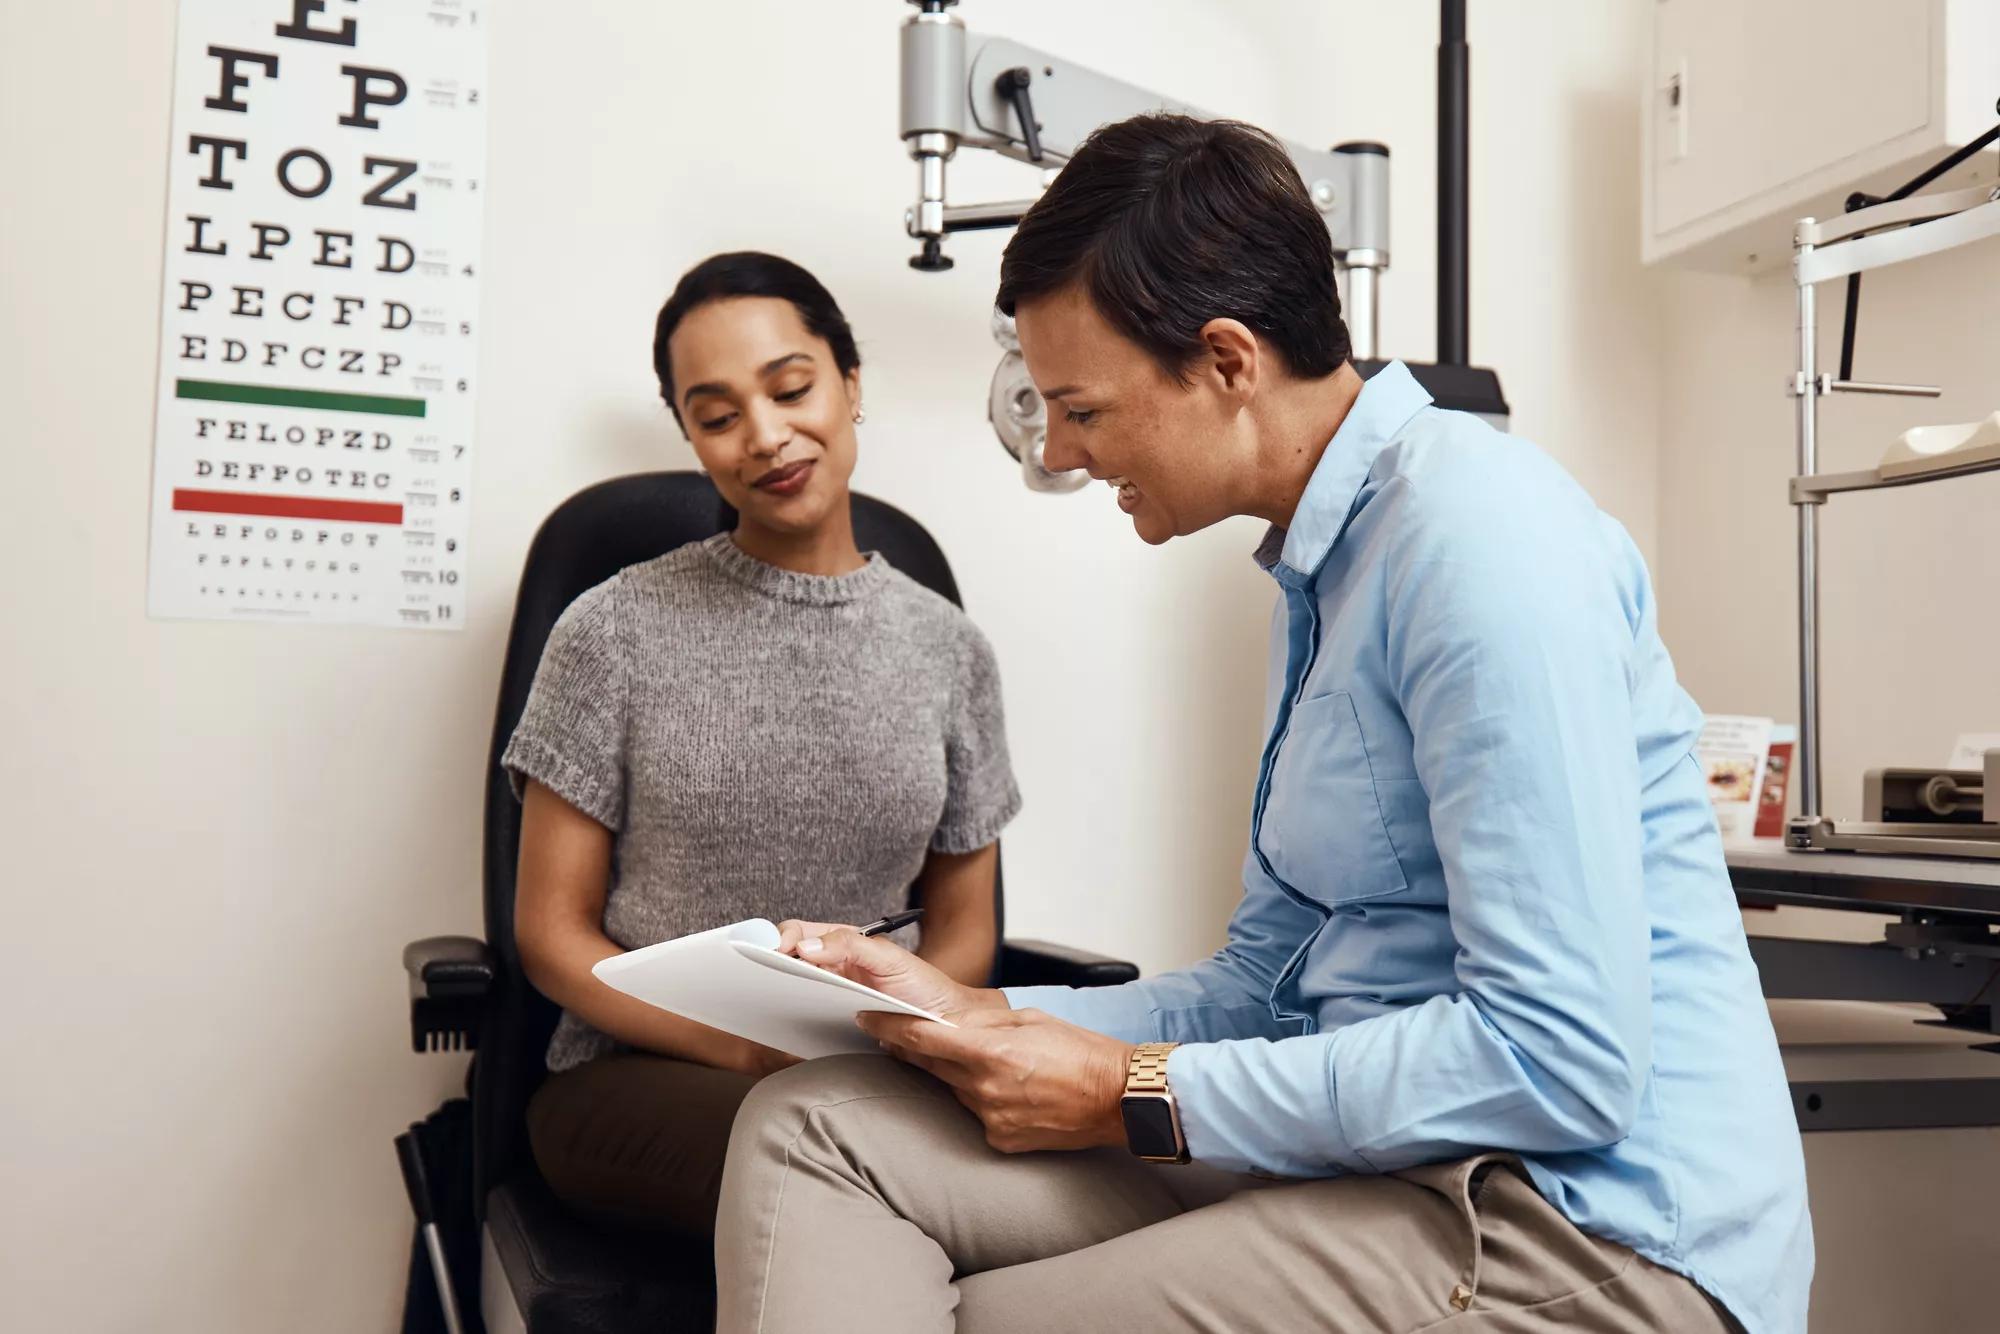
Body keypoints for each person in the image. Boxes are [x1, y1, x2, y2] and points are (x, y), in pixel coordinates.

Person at [713, 117, 1812, 1334]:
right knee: (811, 1122)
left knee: (992, 1315)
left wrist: (1129, 1088)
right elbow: (1266, 983)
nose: (1064, 452)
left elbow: (1557, 1059)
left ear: (1226, 361)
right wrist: (974, 1015)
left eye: (1081, 408)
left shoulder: (1478, 539)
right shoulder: (1321, 573)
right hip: (1387, 1161)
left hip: (1583, 1220)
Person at [502, 252, 1021, 1238]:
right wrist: (748, 1053)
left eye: (791, 387)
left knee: (1058, 1163)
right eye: (717, 413)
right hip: (638, 1081)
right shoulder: (610, 630)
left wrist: (883, 1042)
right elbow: (553, 936)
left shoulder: (949, 651)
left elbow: (962, 931)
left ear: (850, 382)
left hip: (875, 1071)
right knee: (842, 1178)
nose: (766, 435)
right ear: (692, 436)